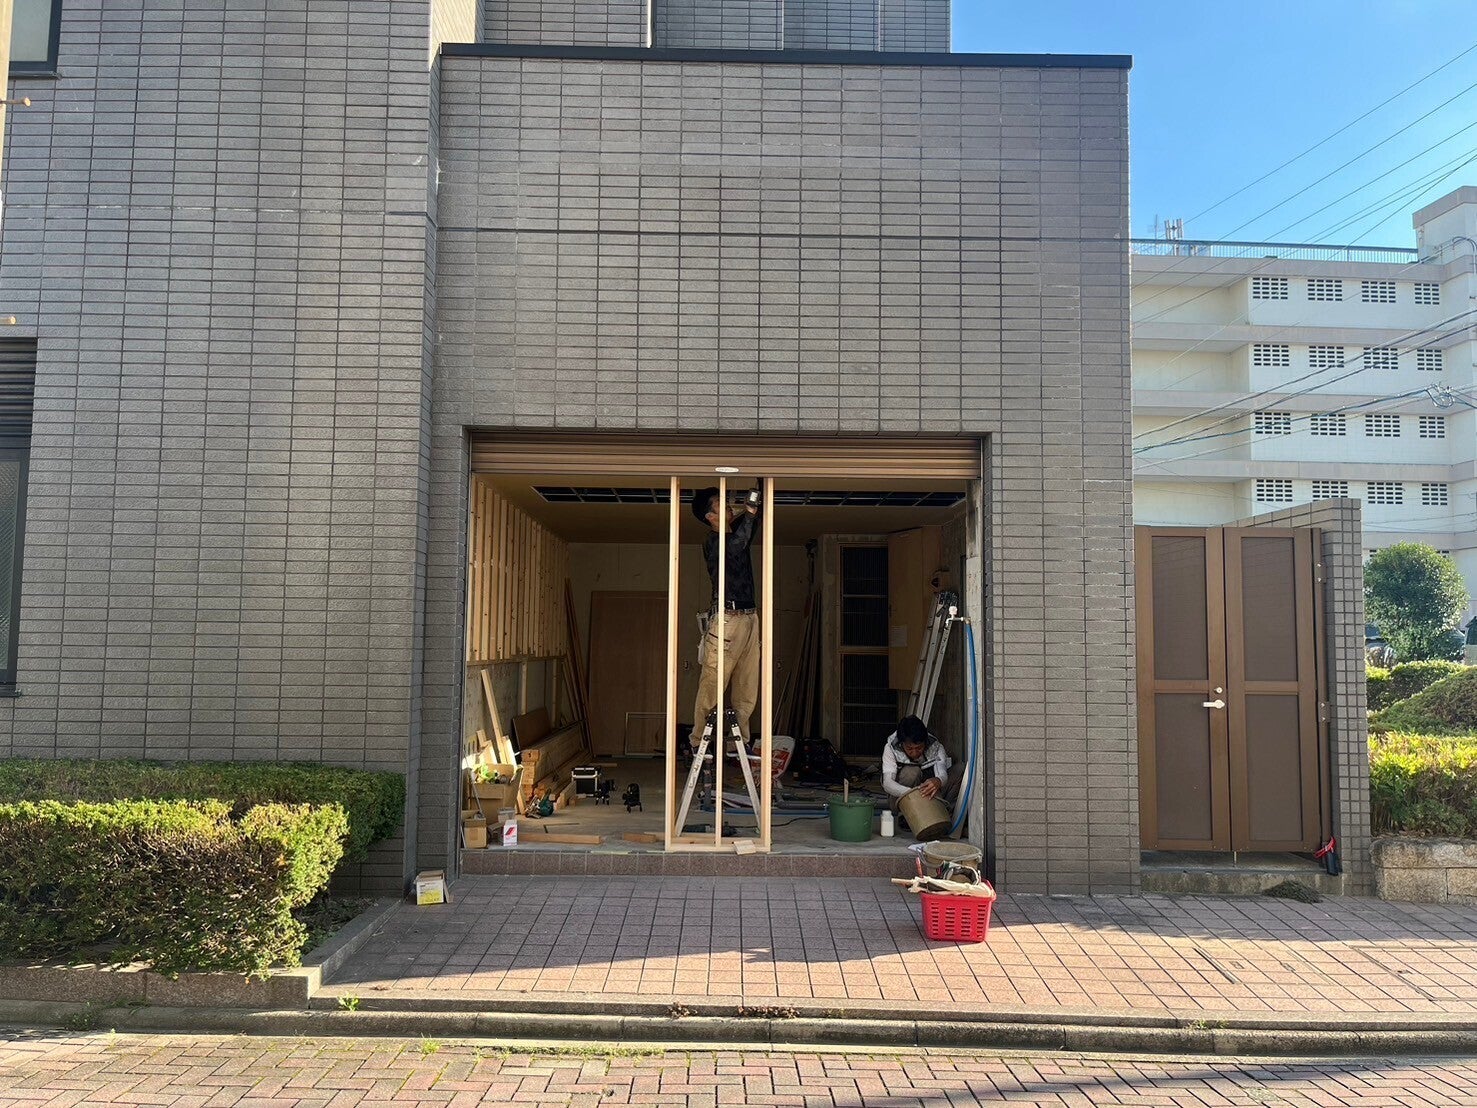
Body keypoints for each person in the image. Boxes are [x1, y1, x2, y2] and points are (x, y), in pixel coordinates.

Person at [691, 484, 762, 742]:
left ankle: (738, 742)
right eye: (720, 503)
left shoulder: (734, 533)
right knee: (712, 684)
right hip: (727, 620)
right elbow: (737, 543)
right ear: (710, 516)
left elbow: (751, 524)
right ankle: (699, 739)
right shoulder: (713, 542)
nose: (728, 505)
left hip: (749, 617)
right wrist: (750, 513)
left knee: (747, 685)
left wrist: (759, 492)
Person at [880, 714, 963, 814]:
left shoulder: (935, 747)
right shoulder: (891, 748)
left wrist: (938, 780)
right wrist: (914, 793)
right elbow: (888, 783)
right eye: (909, 748)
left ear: (925, 742)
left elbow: (942, 773)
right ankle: (906, 816)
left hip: (929, 795)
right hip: (903, 797)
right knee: (912, 772)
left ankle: (943, 811)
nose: (915, 753)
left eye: (919, 748)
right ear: (902, 744)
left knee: (960, 769)